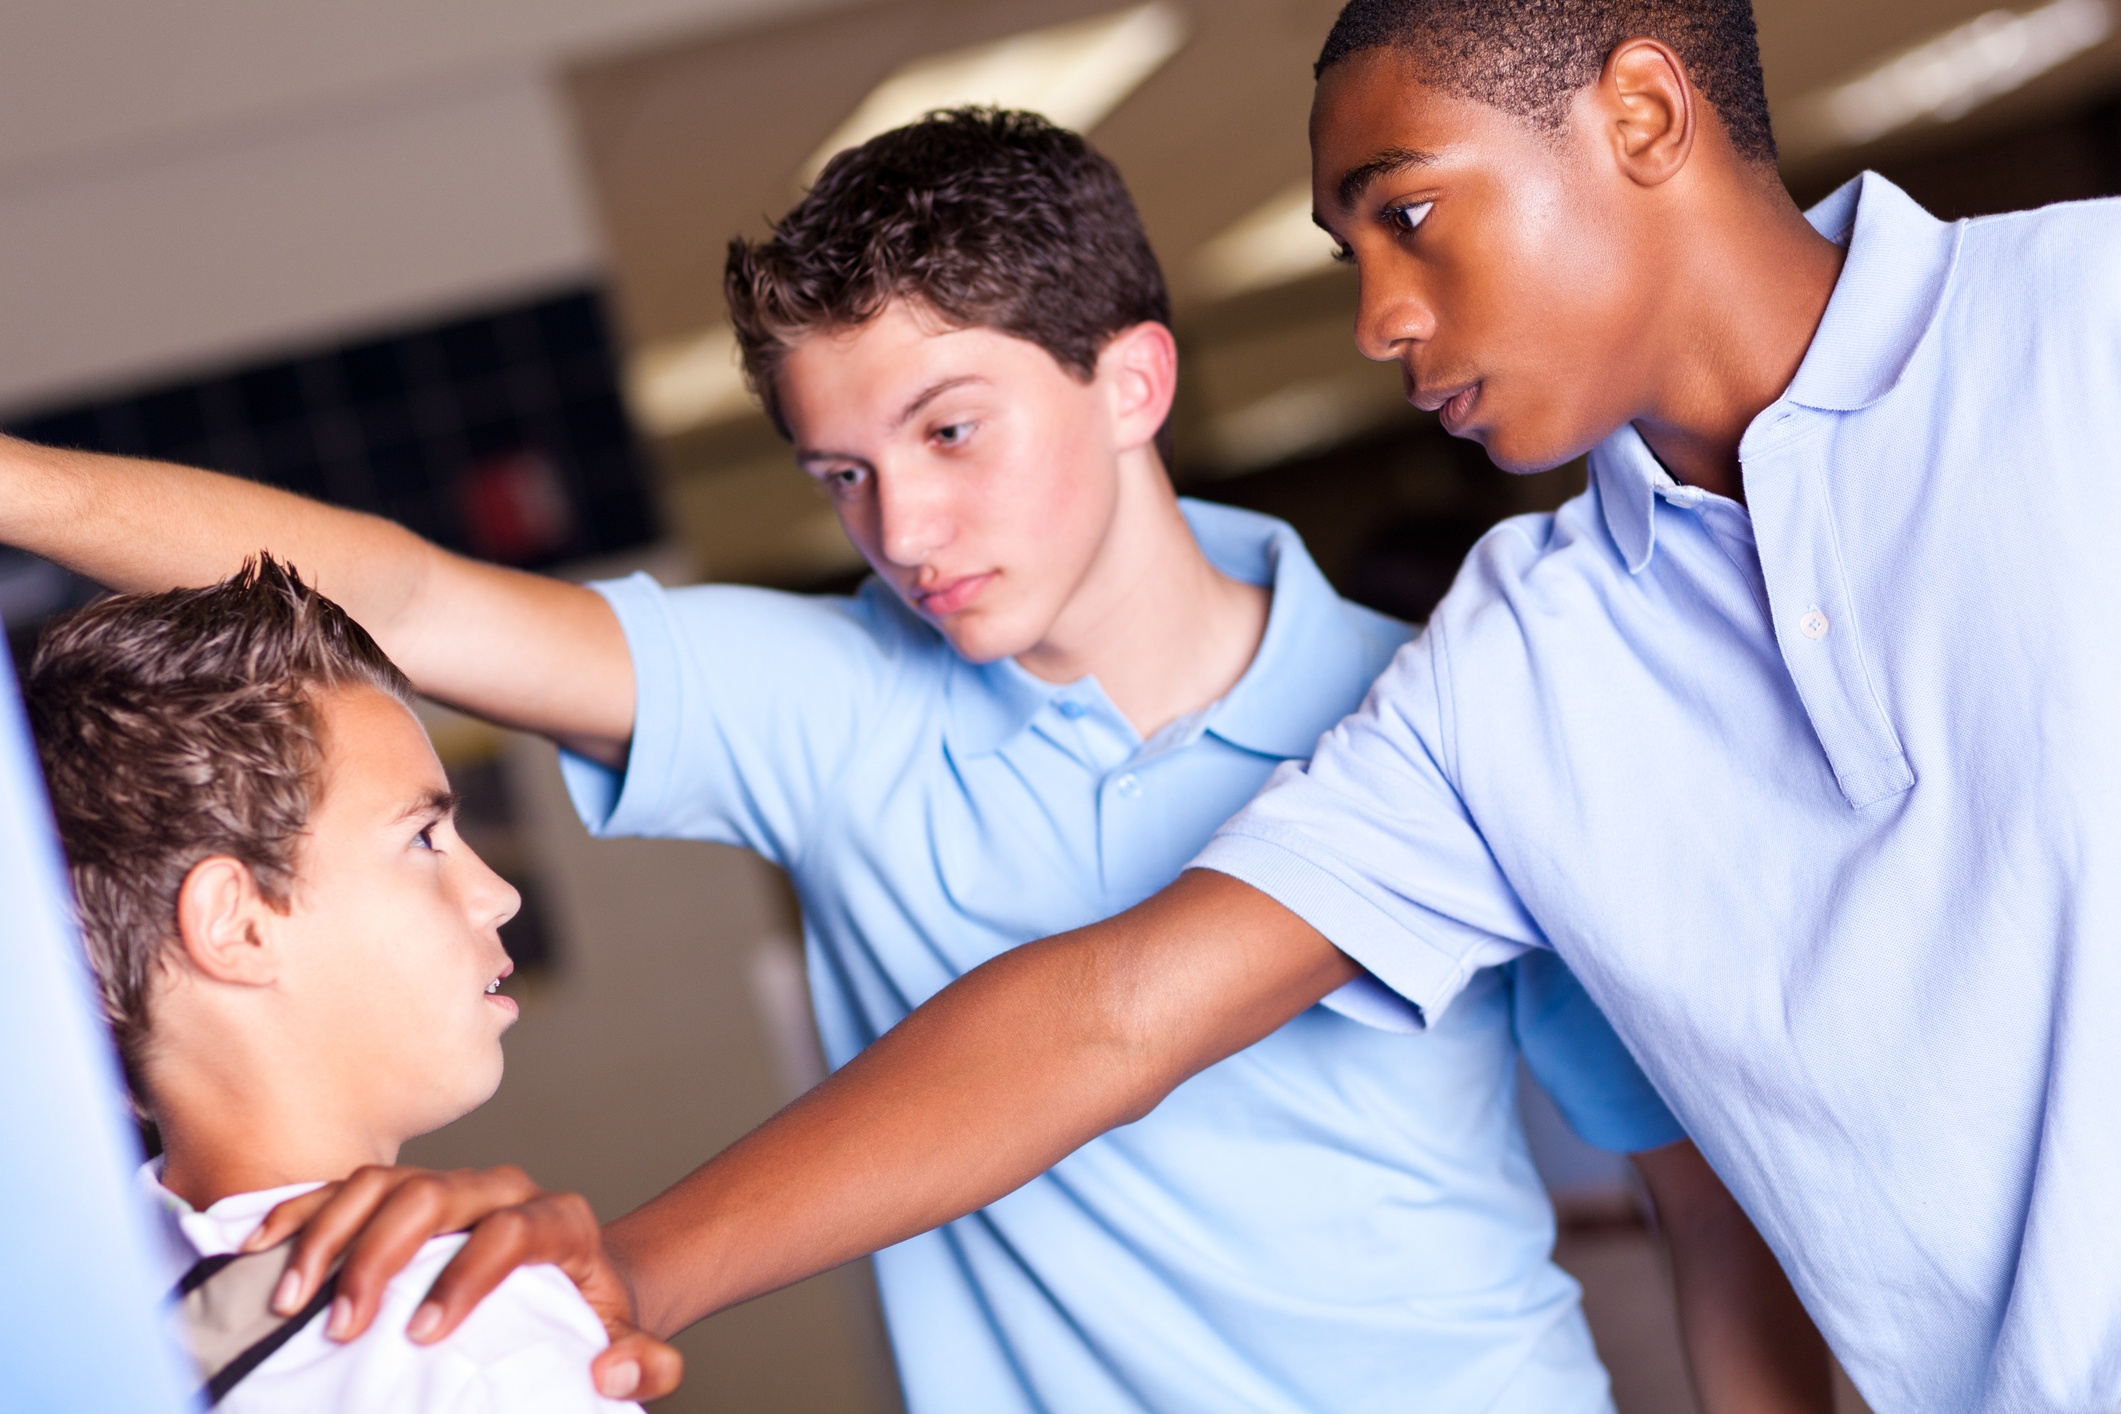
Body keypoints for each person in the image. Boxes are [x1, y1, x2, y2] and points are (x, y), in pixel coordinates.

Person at [274, 1, 2121, 1410]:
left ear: (1640, 112)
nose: (1378, 318)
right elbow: (1116, 1007)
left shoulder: (2083, 331)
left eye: (1409, 216)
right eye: (1349, 254)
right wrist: (629, 1261)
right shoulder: (1518, 661)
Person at [0, 112, 1825, 1412]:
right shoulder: (830, 695)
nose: (908, 524)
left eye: (953, 429)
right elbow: (394, 587)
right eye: (843, 473)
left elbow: (1696, 1189)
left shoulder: (1440, 714)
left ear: (1130, 381)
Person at [21, 559, 663, 1411]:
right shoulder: (456, 1335)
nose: (497, 895)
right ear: (238, 925)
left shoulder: (71, 1316)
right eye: (426, 837)